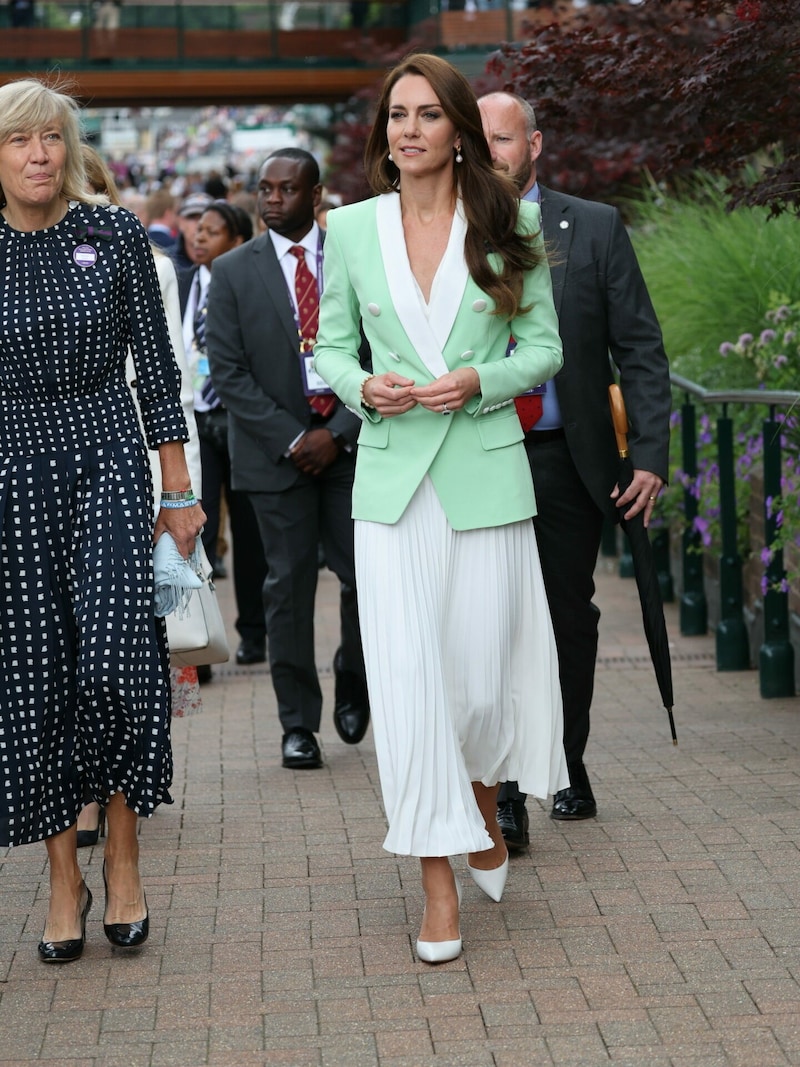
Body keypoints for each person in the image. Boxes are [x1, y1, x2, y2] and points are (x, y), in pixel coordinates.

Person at [313, 54, 568, 964]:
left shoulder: (511, 221)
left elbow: (542, 348)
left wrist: (478, 380)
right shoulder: (347, 230)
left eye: (426, 114)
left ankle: (483, 799)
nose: (408, 129)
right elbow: (331, 347)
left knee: (477, 685)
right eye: (396, 115)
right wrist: (360, 386)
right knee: (412, 689)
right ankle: (434, 884)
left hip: (485, 480)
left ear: (459, 128)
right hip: (389, 488)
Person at [0, 78, 204, 962]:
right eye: (18, 140)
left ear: (72, 149)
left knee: (118, 657)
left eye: (52, 138)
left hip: (107, 455)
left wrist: (180, 487)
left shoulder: (114, 233)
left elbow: (154, 371)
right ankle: (62, 875)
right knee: (36, 671)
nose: (38, 154)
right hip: (12, 469)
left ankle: (121, 847)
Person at [477, 90, 671, 839]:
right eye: (481, 138)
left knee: (565, 618)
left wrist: (648, 453)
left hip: (567, 461)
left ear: (535, 144)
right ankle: (508, 795)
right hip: (479, 453)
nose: (491, 150)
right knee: (490, 624)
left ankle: (564, 757)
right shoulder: (445, 232)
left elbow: (642, 347)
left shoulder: (591, 227)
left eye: (503, 137)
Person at [205, 148, 370, 770]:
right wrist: (294, 438)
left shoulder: (354, 260)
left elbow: (383, 352)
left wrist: (340, 430)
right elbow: (228, 371)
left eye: (286, 189)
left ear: (316, 194)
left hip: (352, 446)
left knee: (364, 579)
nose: (272, 199)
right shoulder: (232, 272)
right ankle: (297, 723)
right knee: (289, 587)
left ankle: (355, 682)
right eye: (263, 189)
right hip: (276, 459)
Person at [178, 200, 268, 677]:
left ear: (235, 241)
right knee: (200, 529)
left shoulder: (247, 281)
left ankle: (254, 631)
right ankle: (200, 643)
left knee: (249, 530)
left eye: (212, 232)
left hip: (240, 421)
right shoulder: (181, 280)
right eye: (197, 230)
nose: (199, 238)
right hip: (197, 422)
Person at [173, 191, 213, 274]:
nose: (199, 223)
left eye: (205, 218)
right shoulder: (168, 260)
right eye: (192, 218)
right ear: (181, 222)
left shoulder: (224, 262)